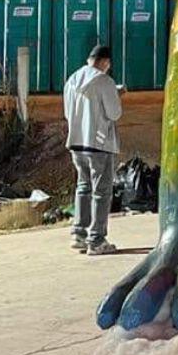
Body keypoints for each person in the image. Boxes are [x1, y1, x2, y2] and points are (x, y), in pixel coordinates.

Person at [63, 45, 124, 255]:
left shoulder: (72, 79)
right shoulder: (104, 81)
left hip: (76, 142)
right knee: (101, 191)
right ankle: (96, 239)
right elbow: (114, 113)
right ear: (106, 62)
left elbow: (67, 111)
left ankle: (78, 233)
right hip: (98, 143)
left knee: (83, 186)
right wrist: (117, 95)